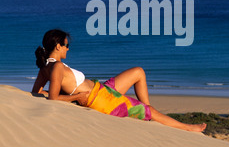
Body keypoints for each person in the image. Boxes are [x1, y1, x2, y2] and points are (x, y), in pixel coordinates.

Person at [32, 29, 206, 133]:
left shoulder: (46, 68)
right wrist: (76, 98)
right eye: (66, 45)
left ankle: (148, 113)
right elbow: (53, 99)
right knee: (148, 109)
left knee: (138, 72)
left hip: (102, 89)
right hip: (100, 100)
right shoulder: (56, 68)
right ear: (58, 47)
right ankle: (187, 128)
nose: (68, 49)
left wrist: (59, 93)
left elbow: (37, 92)